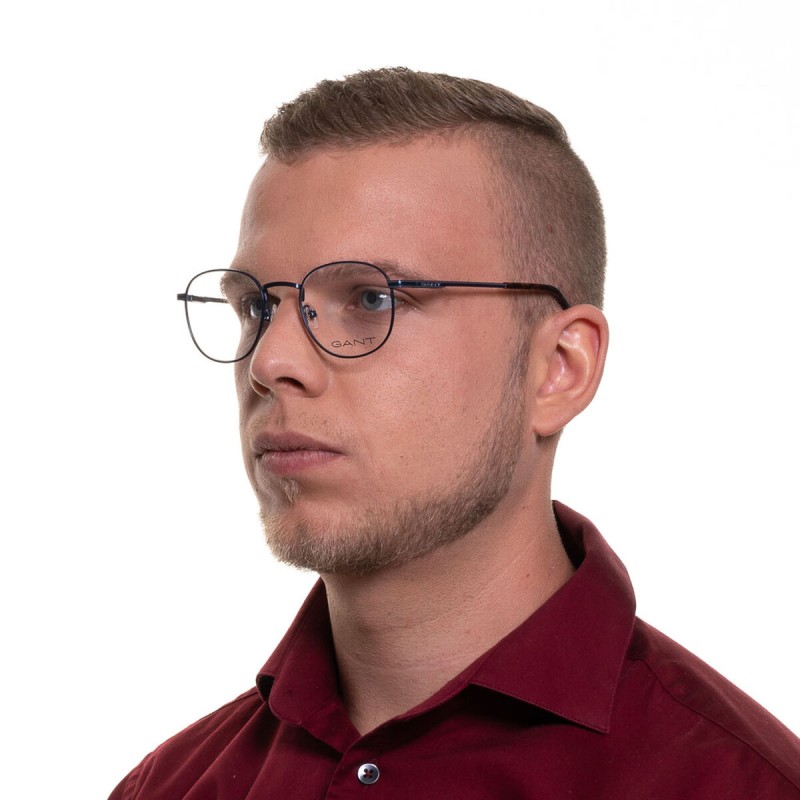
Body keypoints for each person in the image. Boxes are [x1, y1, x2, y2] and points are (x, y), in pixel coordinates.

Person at [110, 67, 800, 798]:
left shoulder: (740, 785)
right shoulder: (166, 788)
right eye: (256, 308)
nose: (270, 362)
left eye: (370, 299)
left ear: (558, 369)